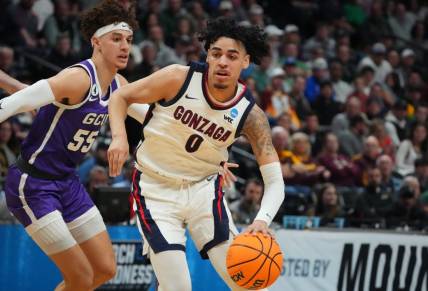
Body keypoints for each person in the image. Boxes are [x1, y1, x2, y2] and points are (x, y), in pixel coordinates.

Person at [107, 17, 285, 291]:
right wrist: (119, 138)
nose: (223, 61)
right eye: (216, 54)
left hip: (204, 191)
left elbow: (275, 181)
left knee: (245, 282)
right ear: (208, 56)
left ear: (246, 62)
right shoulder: (178, 77)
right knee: (177, 287)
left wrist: (261, 221)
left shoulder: (251, 116)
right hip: (156, 190)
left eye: (232, 56)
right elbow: (121, 96)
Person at [0, 1, 149, 290]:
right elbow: (11, 105)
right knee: (80, 277)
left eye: (128, 40)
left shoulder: (118, 83)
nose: (124, 46)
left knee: (105, 269)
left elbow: (153, 118)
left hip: (67, 182)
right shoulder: (78, 78)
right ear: (96, 42)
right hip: (33, 184)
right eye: (116, 39)